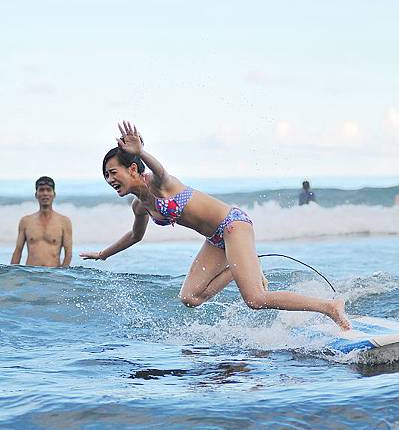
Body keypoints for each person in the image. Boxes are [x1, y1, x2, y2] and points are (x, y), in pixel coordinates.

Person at [80, 122, 350, 329]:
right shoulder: (139, 206)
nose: (109, 179)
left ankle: (329, 307)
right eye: (105, 175)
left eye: (113, 172)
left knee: (255, 299)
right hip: (216, 239)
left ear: (134, 170)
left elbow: (161, 170)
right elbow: (134, 236)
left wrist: (142, 152)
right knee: (190, 298)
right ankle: (240, 267)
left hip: (233, 225)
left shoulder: (159, 183)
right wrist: (103, 254)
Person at [11, 176, 73, 268]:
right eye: (41, 190)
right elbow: (18, 250)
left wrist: (61, 275)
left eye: (48, 190)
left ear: (54, 194)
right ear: (36, 194)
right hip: (31, 275)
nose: (45, 193)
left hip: (53, 274)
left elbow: (68, 253)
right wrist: (12, 275)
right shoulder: (26, 221)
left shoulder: (64, 221)